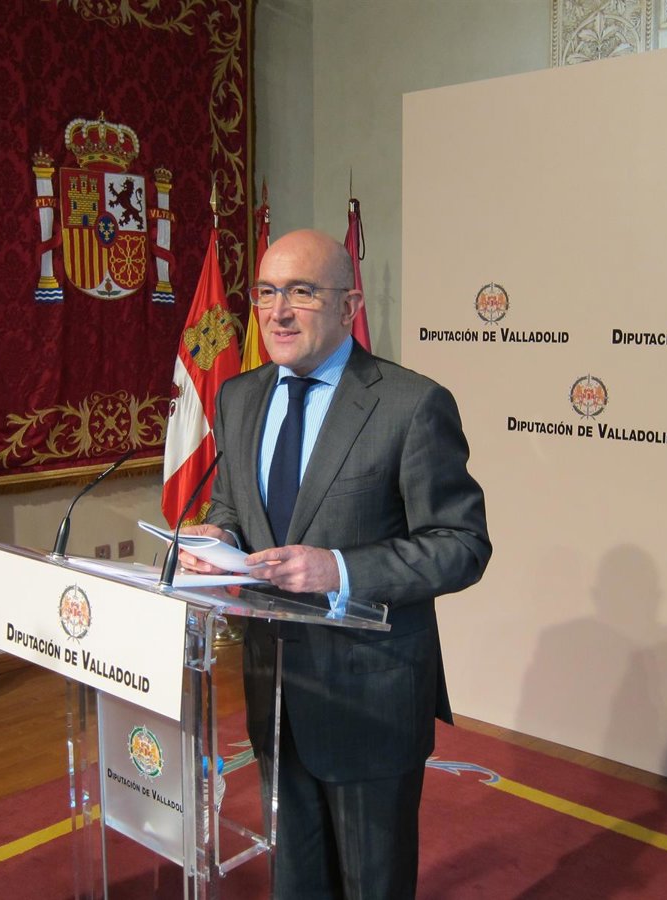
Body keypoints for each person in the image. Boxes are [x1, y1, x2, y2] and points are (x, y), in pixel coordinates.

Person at [180, 228, 491, 899]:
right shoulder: (239, 396)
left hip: (369, 697)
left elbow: (461, 544)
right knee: (295, 880)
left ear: (349, 304)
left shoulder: (411, 404)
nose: (278, 312)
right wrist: (217, 537)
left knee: (371, 884)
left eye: (301, 292)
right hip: (275, 691)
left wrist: (339, 571)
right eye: (266, 292)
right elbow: (235, 505)